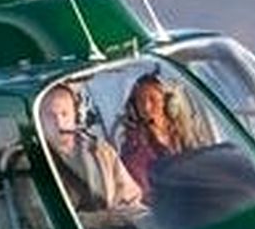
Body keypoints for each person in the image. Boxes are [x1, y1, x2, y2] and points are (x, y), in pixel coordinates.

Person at [43, 83, 144, 215]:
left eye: (64, 114)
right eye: (50, 116)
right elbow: (42, 218)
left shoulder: (101, 150)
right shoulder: (31, 160)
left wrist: (134, 212)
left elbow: (130, 194)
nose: (59, 123)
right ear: (40, 120)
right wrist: (101, 220)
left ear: (76, 115)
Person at [119, 71, 196, 199]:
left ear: (168, 103)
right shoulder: (133, 146)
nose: (146, 107)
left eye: (152, 99)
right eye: (140, 101)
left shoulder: (185, 134)